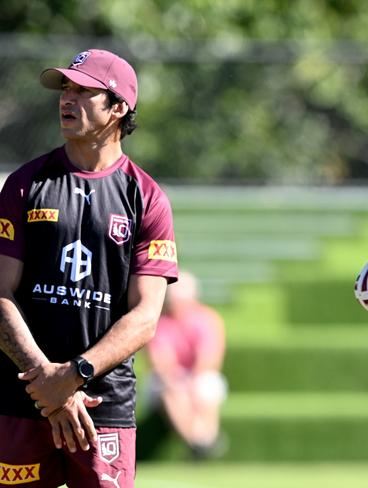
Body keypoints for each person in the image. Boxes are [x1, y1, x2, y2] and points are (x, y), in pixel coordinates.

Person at [0, 49, 177, 487]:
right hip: (23, 397)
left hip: (104, 404)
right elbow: (0, 293)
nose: (67, 98)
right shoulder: (25, 184)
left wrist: (73, 377)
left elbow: (146, 316)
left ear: (118, 108)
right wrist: (49, 386)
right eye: (65, 88)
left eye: (83, 91)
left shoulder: (147, 197)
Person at [145, 270, 227, 460]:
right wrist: (178, 381)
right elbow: (160, 362)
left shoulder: (207, 319)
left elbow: (209, 359)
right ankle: (199, 443)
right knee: (171, 390)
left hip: (198, 376)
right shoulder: (159, 322)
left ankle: (203, 439)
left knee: (205, 386)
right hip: (171, 378)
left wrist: (190, 382)